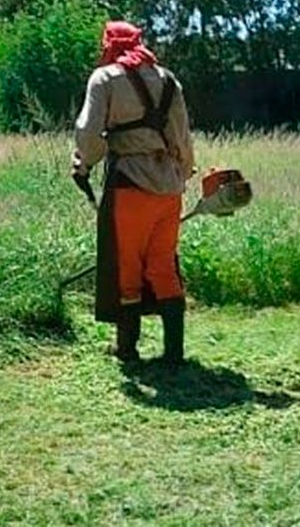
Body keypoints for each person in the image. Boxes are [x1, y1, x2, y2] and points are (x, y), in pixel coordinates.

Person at [72, 21, 196, 364]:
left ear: (109, 44)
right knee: (163, 266)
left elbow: (88, 132)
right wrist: (182, 175)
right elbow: (182, 138)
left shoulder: (104, 78)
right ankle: (174, 354)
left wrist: (82, 166)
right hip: (169, 187)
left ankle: (127, 350)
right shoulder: (169, 79)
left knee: (127, 268)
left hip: (129, 182)